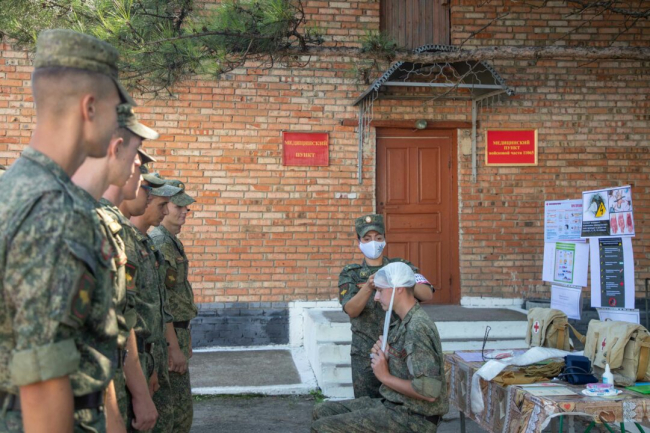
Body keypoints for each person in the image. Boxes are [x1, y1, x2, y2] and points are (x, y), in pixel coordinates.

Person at [0, 29, 133, 432]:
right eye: (116, 110)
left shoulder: (13, 188)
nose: (117, 126)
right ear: (90, 107)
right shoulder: (57, 209)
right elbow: (43, 380)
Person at [312, 263, 448, 433]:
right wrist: (388, 357)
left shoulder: (417, 327)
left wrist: (384, 376)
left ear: (399, 289)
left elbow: (429, 392)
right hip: (396, 404)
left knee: (322, 428)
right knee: (322, 410)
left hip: (414, 417)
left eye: (380, 291)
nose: (376, 297)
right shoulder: (402, 321)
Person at [101, 110, 161, 432]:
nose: (139, 168)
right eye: (136, 157)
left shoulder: (110, 223)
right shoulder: (102, 223)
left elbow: (123, 316)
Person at [338, 214, 435, 399]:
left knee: (398, 403)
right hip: (365, 353)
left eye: (378, 237)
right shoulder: (351, 273)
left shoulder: (401, 267)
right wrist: (368, 286)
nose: (373, 243)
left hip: (398, 350)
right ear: (359, 242)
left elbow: (427, 293)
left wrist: (399, 279)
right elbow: (351, 310)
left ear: (384, 239)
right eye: (367, 239)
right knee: (366, 406)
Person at [128, 173, 180, 433]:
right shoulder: (127, 244)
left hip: (153, 352)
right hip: (138, 355)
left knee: (165, 421)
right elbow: (128, 315)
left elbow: (159, 304)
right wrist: (144, 368)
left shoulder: (147, 244)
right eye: (162, 205)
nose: (167, 211)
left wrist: (169, 348)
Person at [150, 179, 198, 433]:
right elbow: (162, 301)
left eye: (185, 207)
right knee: (176, 414)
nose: (184, 211)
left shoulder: (170, 240)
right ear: (165, 206)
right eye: (178, 206)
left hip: (178, 331)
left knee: (179, 411)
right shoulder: (160, 241)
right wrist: (173, 347)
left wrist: (183, 335)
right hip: (169, 335)